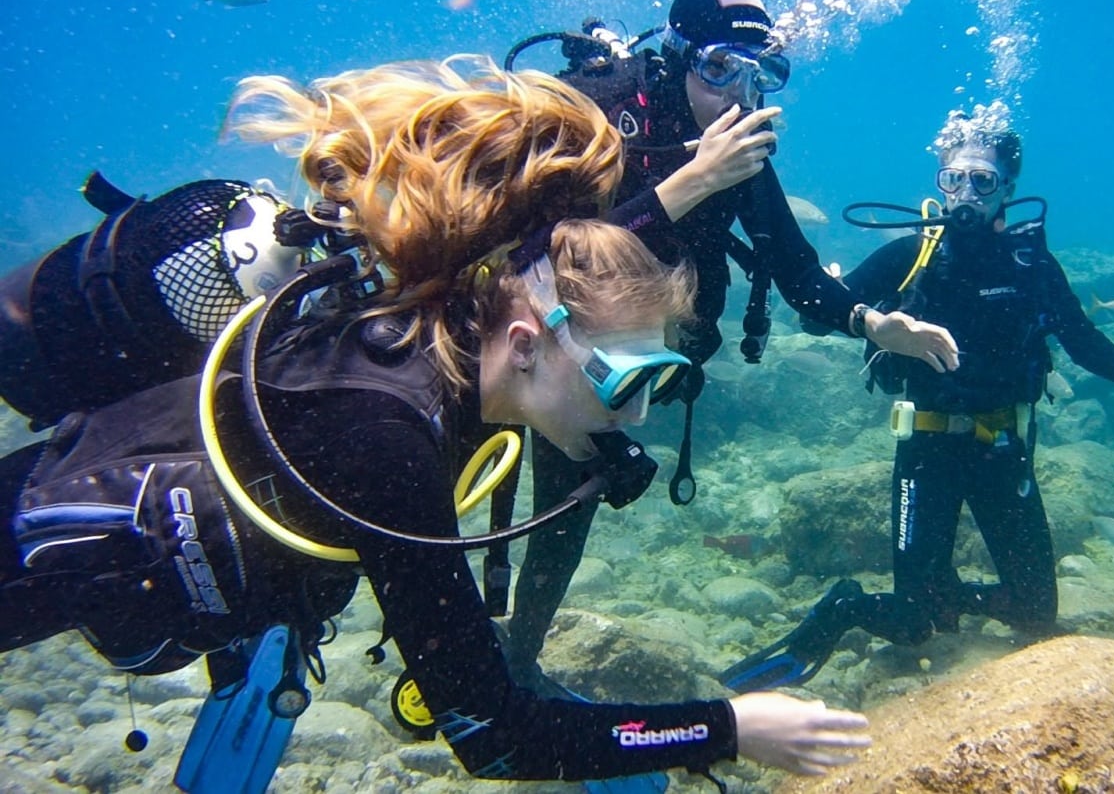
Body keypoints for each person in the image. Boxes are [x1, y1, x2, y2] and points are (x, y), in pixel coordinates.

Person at [0, 58, 869, 787]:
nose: (636, 416)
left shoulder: (463, 321)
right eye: (628, 379)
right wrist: (726, 726)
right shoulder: (389, 436)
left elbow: (558, 249)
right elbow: (494, 734)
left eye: (662, 379)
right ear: (526, 344)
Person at [503, 0, 959, 682]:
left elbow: (799, 272)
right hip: (527, 348)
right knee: (469, 479)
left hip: (617, 363)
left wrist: (870, 322)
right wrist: (693, 182)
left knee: (566, 513)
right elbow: (533, 260)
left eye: (759, 76)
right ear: (679, 56)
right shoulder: (601, 118)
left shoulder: (739, 153)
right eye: (719, 69)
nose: (738, 96)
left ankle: (515, 666)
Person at [720, 104, 1114, 692]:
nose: (966, 193)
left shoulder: (1031, 264)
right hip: (927, 450)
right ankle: (848, 607)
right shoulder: (911, 256)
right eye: (954, 178)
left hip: (1004, 448)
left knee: (1035, 613)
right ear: (939, 183)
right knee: (915, 622)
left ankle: (942, 591)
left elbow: (1078, 335)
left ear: (1007, 189)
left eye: (983, 180)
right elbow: (825, 321)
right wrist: (830, 292)